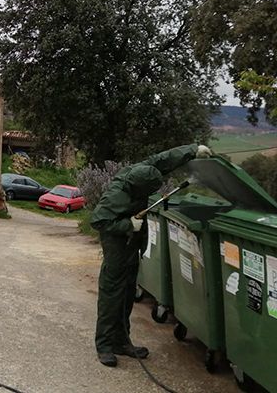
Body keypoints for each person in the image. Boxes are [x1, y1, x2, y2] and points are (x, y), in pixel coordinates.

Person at [91, 143, 212, 367]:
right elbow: (98, 220)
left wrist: (193, 149)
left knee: (127, 293)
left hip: (131, 244)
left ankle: (121, 341)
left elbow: (163, 158)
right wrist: (128, 225)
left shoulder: (143, 169)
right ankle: (105, 345)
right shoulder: (116, 196)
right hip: (117, 246)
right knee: (112, 295)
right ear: (138, 189)